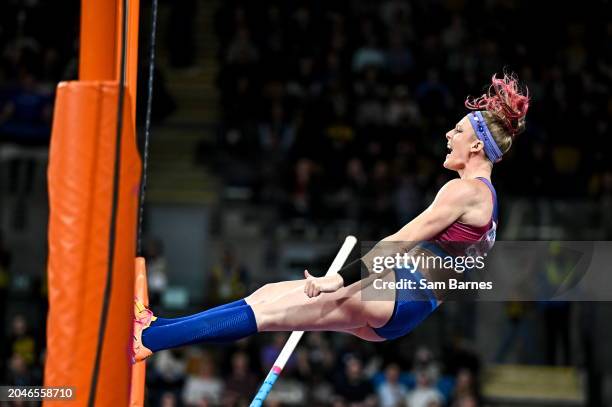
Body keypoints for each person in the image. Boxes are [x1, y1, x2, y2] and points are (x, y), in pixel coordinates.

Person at [132, 73, 530, 363]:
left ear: (477, 144)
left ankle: (150, 339)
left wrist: (336, 279)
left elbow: (400, 241)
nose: (448, 134)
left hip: (399, 293)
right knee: (267, 295)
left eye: (458, 130)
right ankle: (159, 328)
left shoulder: (465, 191)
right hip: (406, 303)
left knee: (268, 313)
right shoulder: (487, 201)